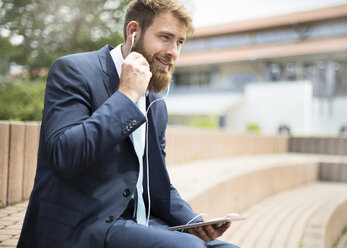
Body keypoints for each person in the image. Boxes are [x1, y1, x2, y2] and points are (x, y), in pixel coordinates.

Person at [17, 0, 238, 247]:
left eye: (179, 42)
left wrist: (194, 221)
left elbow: (155, 181)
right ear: (133, 31)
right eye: (165, 37)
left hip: (141, 224)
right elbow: (64, 156)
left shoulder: (156, 102)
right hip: (84, 226)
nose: (173, 52)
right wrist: (126, 96)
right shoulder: (74, 70)